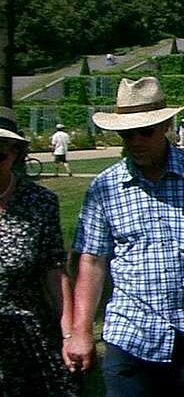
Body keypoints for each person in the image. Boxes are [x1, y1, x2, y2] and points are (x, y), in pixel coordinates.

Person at [64, 77, 184, 396]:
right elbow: (92, 262)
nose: (136, 141)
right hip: (130, 334)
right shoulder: (104, 187)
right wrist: (80, 331)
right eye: (127, 134)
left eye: (145, 131)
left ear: (166, 125)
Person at [0, 108, 76, 395]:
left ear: (16, 154)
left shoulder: (40, 202)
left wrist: (69, 333)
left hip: (28, 335)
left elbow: (55, 272)